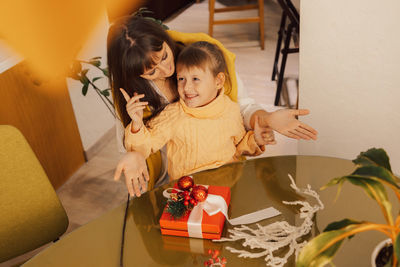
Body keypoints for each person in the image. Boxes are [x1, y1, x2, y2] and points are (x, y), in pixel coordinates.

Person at [107, 15, 318, 196]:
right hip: (180, 182)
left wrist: (266, 120)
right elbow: (137, 144)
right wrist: (134, 153)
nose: (166, 69)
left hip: (227, 180)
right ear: (135, 74)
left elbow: (240, 122)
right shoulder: (152, 106)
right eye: (151, 72)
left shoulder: (205, 60)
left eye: (164, 56)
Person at [123, 41, 269, 180]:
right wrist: (136, 124)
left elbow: (239, 146)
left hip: (227, 186)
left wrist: (255, 140)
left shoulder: (231, 109)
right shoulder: (172, 114)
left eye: (195, 79)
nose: (186, 88)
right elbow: (145, 147)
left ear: (218, 81)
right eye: (181, 79)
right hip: (187, 194)